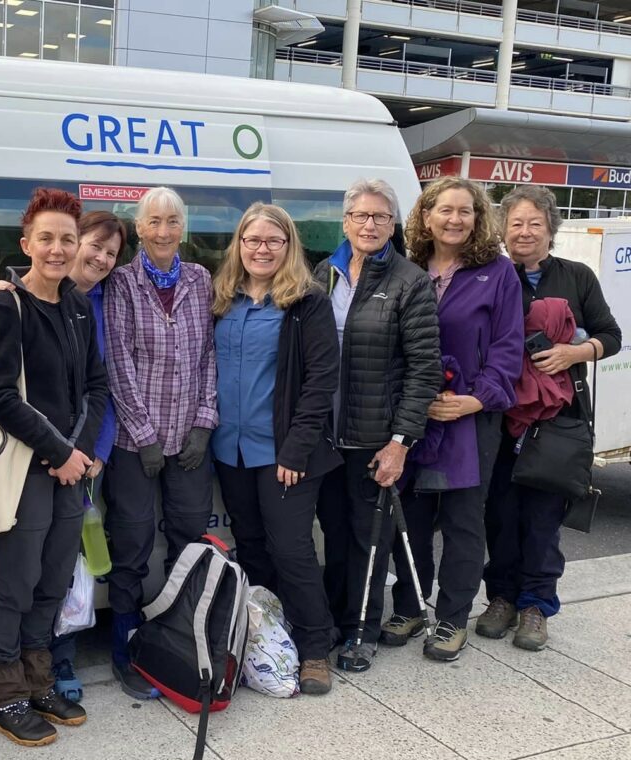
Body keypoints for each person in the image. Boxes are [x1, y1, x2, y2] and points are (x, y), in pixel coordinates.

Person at [0, 210, 126, 702]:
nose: (57, 249)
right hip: (24, 468)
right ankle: (3, 687)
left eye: (66, 238)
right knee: (19, 579)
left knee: (55, 576)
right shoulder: (7, 304)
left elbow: (96, 385)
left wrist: (78, 453)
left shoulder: (78, 306)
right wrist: (57, 452)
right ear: (26, 245)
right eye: (47, 239)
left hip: (70, 470)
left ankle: (37, 676)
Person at [386, 177, 523, 663]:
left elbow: (509, 350)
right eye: (445, 210)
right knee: (412, 518)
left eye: (465, 211)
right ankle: (409, 606)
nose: (455, 219)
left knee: (465, 521)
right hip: (413, 414)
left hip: (470, 419)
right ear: (426, 216)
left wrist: (475, 400)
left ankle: (451, 618)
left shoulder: (498, 273)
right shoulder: (406, 269)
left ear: (478, 218)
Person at [480, 185, 622, 651]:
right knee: (499, 513)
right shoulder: (493, 275)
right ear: (503, 230)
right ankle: (500, 597)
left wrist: (573, 352)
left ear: (551, 229)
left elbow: (611, 336)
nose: (525, 232)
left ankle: (536, 605)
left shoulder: (577, 277)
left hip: (557, 420)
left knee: (543, 517)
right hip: (501, 417)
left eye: (534, 223)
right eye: (516, 223)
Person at [210, 203, 341, 695]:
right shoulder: (222, 298)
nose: (261, 249)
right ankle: (267, 635)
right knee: (253, 548)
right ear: (239, 245)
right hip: (231, 449)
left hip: (285, 454)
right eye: (252, 240)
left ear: (289, 246)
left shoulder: (306, 302)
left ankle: (314, 648)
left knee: (292, 550)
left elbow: (320, 381)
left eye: (273, 241)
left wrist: (296, 450)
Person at [312, 179, 441, 672]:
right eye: (360, 216)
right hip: (326, 436)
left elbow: (424, 368)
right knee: (335, 534)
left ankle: (361, 631)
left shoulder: (409, 281)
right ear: (344, 222)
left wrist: (399, 443)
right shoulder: (324, 273)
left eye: (380, 218)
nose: (369, 225)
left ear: (393, 225)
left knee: (370, 539)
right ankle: (333, 623)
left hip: (375, 440)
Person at [103, 186, 216, 699]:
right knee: (131, 543)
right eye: (154, 222)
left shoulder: (199, 279)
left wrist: (203, 422)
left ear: (182, 228)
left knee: (189, 538)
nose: (164, 231)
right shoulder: (122, 283)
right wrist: (145, 433)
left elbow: (209, 355)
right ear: (139, 228)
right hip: (136, 441)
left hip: (190, 437)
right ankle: (125, 647)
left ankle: (179, 636)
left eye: (173, 221)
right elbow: (117, 362)